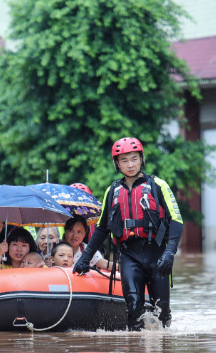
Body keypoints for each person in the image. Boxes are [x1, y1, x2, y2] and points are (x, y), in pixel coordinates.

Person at [73, 137, 183, 331]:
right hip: (129, 255)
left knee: (162, 311)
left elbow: (176, 220)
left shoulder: (159, 185)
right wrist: (85, 258)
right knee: (133, 307)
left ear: (142, 158)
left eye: (134, 158)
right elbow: (101, 228)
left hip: (157, 255)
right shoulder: (112, 190)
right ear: (117, 164)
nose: (130, 164)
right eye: (124, 160)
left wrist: (170, 253)